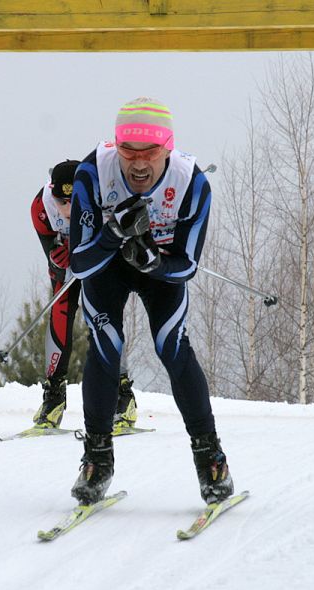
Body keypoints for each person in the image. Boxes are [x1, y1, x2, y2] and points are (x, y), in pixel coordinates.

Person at [67, 97, 234, 506]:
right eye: (128, 152)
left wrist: (153, 262)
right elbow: (79, 262)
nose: (139, 165)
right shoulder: (92, 174)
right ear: (115, 146)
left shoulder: (192, 183)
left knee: (172, 347)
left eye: (151, 153)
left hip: (160, 269)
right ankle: (97, 459)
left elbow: (188, 265)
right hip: (106, 267)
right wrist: (110, 236)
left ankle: (210, 458)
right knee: (107, 347)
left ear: (169, 149)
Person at [30, 159, 137, 432]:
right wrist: (56, 256)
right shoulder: (41, 208)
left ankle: (123, 396)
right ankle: (53, 396)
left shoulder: (103, 196)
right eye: (61, 201)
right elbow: (49, 246)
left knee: (102, 315)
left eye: (73, 201)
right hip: (70, 261)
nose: (66, 209)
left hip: (97, 257)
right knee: (61, 307)